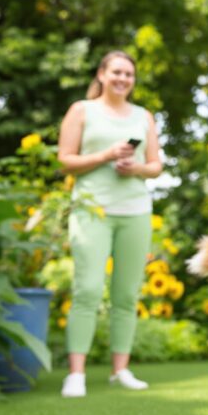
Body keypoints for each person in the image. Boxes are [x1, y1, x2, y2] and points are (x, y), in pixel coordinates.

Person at [56, 50, 163, 397]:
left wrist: (136, 169)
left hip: (135, 211)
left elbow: (155, 166)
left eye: (128, 74)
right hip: (92, 210)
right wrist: (105, 155)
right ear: (102, 74)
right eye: (116, 72)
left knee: (126, 294)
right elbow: (65, 161)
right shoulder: (81, 110)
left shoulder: (143, 116)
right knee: (87, 290)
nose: (122, 79)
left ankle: (120, 370)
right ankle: (76, 374)